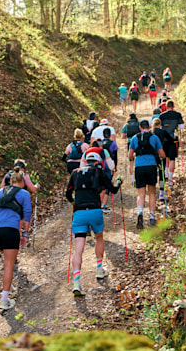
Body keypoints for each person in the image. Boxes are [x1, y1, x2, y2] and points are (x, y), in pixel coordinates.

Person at [65, 152, 122, 296]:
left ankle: (76, 282)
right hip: (95, 210)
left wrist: (74, 204)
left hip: (79, 213)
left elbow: (68, 194)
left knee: (78, 249)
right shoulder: (99, 172)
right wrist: (119, 182)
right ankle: (99, 269)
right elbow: (113, 189)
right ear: (97, 162)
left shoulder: (75, 173)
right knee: (99, 238)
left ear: (86, 161)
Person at [0, 169, 32, 311]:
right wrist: (25, 233)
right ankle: (4, 301)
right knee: (9, 264)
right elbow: (27, 214)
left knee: (6, 258)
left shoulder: (0, 192)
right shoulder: (24, 194)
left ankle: (9, 286)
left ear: (10, 181)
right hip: (10, 230)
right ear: (22, 182)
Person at [128, 119, 165, 228]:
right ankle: (152, 217)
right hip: (151, 166)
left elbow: (130, 155)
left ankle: (140, 213)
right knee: (152, 192)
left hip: (139, 167)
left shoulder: (135, 138)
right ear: (149, 127)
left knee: (141, 194)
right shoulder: (154, 137)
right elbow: (162, 154)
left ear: (140, 127)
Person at [159, 100, 185, 184]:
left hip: (164, 139)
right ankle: (170, 179)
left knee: (166, 157)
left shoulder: (162, 116)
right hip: (173, 139)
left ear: (166, 107)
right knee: (172, 158)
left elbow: (160, 127)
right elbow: (182, 126)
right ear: (173, 106)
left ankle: (165, 175)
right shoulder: (177, 115)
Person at [151, 118, 175, 202]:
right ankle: (161, 193)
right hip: (161, 154)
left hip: (153, 156)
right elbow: (171, 139)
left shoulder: (151, 133)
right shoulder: (163, 132)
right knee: (162, 174)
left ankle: (152, 192)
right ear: (160, 125)